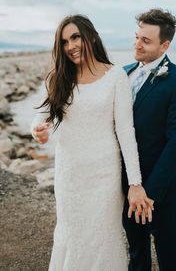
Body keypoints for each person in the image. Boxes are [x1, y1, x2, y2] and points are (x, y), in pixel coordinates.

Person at [31, 14, 153, 271]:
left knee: (102, 239)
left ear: (91, 37)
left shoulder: (116, 76)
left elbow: (125, 131)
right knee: (71, 235)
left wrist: (135, 183)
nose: (71, 46)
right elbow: (40, 119)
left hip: (104, 178)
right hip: (69, 176)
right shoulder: (58, 78)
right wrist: (37, 131)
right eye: (64, 42)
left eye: (75, 37)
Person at [122, 8, 176, 271]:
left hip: (161, 190)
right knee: (136, 253)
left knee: (169, 257)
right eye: (136, 37)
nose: (137, 44)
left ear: (165, 45)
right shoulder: (124, 73)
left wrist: (149, 194)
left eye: (146, 40)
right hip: (125, 184)